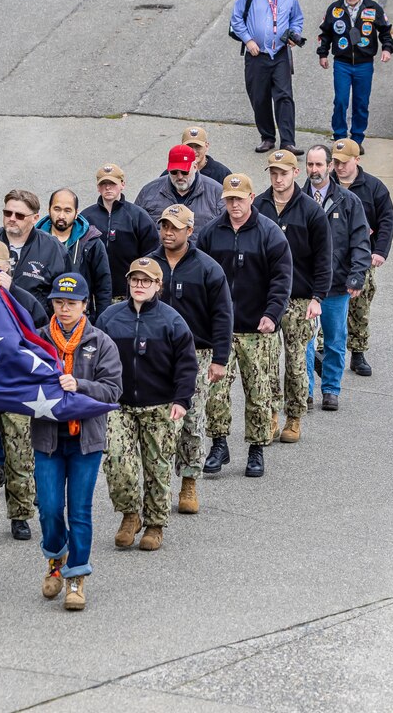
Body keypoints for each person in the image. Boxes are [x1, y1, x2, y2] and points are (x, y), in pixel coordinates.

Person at [32, 273, 122, 612]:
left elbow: (113, 391)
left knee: (80, 512)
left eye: (71, 303)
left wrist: (79, 385)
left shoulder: (101, 342)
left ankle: (75, 578)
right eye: (58, 302)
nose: (64, 308)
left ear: (85, 306)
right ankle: (56, 558)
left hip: (85, 440)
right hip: (47, 439)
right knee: (50, 509)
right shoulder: (38, 340)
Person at [99, 257, 198, 552]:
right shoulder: (109, 318)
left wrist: (182, 400)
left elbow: (186, 364)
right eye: (134, 280)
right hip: (119, 405)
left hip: (161, 405)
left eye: (146, 281)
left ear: (158, 286)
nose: (139, 285)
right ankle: (130, 515)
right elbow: (95, 358)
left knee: (157, 467)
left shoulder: (172, 321)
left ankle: (155, 524)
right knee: (117, 461)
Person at [198, 175, 292, 478]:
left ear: (252, 198)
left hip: (257, 329)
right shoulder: (212, 232)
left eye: (239, 199)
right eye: (229, 199)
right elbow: (200, 276)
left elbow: (281, 278)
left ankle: (256, 449)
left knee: (259, 392)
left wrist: (272, 314)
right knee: (216, 392)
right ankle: (219, 443)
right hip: (221, 330)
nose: (234, 205)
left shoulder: (270, 233)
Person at [153, 204, 233, 514]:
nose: (167, 232)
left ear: (190, 231)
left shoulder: (208, 268)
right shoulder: (149, 264)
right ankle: (157, 485)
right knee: (158, 419)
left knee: (192, 418)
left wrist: (220, 358)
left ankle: (188, 482)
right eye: (164, 226)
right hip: (156, 353)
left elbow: (223, 315)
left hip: (196, 354)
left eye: (174, 227)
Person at [254, 149, 332, 441]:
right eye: (273, 173)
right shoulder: (259, 205)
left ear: (295, 173)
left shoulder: (310, 210)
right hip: (266, 297)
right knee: (268, 361)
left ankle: (295, 416)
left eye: (283, 173)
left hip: (300, 299)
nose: (277, 178)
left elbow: (324, 258)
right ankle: (272, 414)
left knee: (297, 361)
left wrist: (317, 298)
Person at [0, 238, 43, 542]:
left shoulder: (24, 299)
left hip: (16, 388)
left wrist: (11, 290)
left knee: (19, 455)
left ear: (7, 268)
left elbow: (43, 337)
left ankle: (20, 515)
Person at [302, 145, 371, 410]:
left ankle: (330, 389)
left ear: (330, 166)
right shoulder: (297, 200)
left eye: (319, 165)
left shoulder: (348, 201)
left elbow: (360, 241)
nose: (314, 170)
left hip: (337, 285)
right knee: (305, 341)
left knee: (334, 339)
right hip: (305, 286)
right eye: (310, 165)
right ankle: (305, 391)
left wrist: (357, 275)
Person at [331, 138, 393, 377]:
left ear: (357, 160)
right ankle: (321, 351)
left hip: (360, 257)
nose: (339, 167)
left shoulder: (374, 187)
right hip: (330, 256)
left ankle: (357, 353)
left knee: (359, 305)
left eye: (344, 162)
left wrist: (379, 251)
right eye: (335, 162)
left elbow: (387, 219)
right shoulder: (324, 184)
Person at [229, 0, 305, 156]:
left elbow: (297, 19)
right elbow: (236, 18)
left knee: (284, 97)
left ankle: (288, 141)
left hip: (279, 53)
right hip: (256, 55)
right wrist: (248, 41)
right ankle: (268, 137)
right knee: (259, 97)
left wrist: (294, 34)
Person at [316, 0, 393, 155]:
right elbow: (325, 33)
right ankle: (340, 139)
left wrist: (387, 49)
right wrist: (323, 54)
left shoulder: (373, 8)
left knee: (360, 102)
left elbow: (386, 31)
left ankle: (357, 139)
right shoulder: (335, 8)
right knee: (341, 101)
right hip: (342, 63)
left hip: (364, 64)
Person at [0, 190, 68, 315]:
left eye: (19, 215)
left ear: (35, 218)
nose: (12, 218)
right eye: (8, 213)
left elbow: (66, 293)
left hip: (33, 325)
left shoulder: (53, 249)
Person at [80, 164, 158, 301]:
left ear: (122, 184)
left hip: (128, 295)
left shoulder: (138, 217)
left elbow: (151, 255)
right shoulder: (86, 218)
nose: (108, 187)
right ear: (98, 187)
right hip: (92, 295)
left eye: (112, 183)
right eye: (103, 184)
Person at [36, 189, 112, 321]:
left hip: (79, 318)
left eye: (67, 210)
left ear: (76, 213)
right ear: (49, 210)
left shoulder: (91, 242)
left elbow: (103, 286)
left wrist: (102, 322)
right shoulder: (34, 241)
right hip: (41, 319)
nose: (61, 215)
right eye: (57, 209)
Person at [135, 144, 224, 248]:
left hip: (199, 261)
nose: (179, 176)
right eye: (174, 172)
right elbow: (134, 228)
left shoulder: (216, 193)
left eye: (184, 172)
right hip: (158, 259)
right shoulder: (149, 192)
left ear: (195, 167)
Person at [159, 127, 232, 185]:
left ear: (206, 146)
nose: (193, 151)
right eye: (189, 146)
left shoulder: (221, 173)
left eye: (198, 146)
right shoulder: (172, 173)